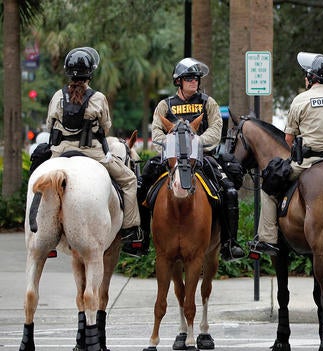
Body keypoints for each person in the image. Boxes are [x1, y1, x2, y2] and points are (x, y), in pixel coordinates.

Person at [248, 52, 323, 254]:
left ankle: (268, 238)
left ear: (311, 78)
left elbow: (288, 139)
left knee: (269, 184)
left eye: (306, 75)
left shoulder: (300, 100)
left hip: (307, 163)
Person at [137, 57, 244, 261]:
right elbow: (157, 133)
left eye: (196, 79)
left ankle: (230, 244)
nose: (194, 82)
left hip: (202, 158)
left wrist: (195, 143)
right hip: (172, 159)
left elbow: (215, 129)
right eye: (189, 79)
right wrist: (176, 144)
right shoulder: (164, 105)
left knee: (229, 190)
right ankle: (141, 238)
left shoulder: (208, 103)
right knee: (141, 185)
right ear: (178, 81)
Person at [45, 47, 143, 250]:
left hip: (59, 152)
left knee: (38, 181)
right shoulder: (98, 98)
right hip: (92, 152)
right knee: (130, 180)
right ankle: (130, 229)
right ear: (90, 73)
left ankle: (39, 228)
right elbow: (106, 128)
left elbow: (49, 125)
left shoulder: (57, 96)